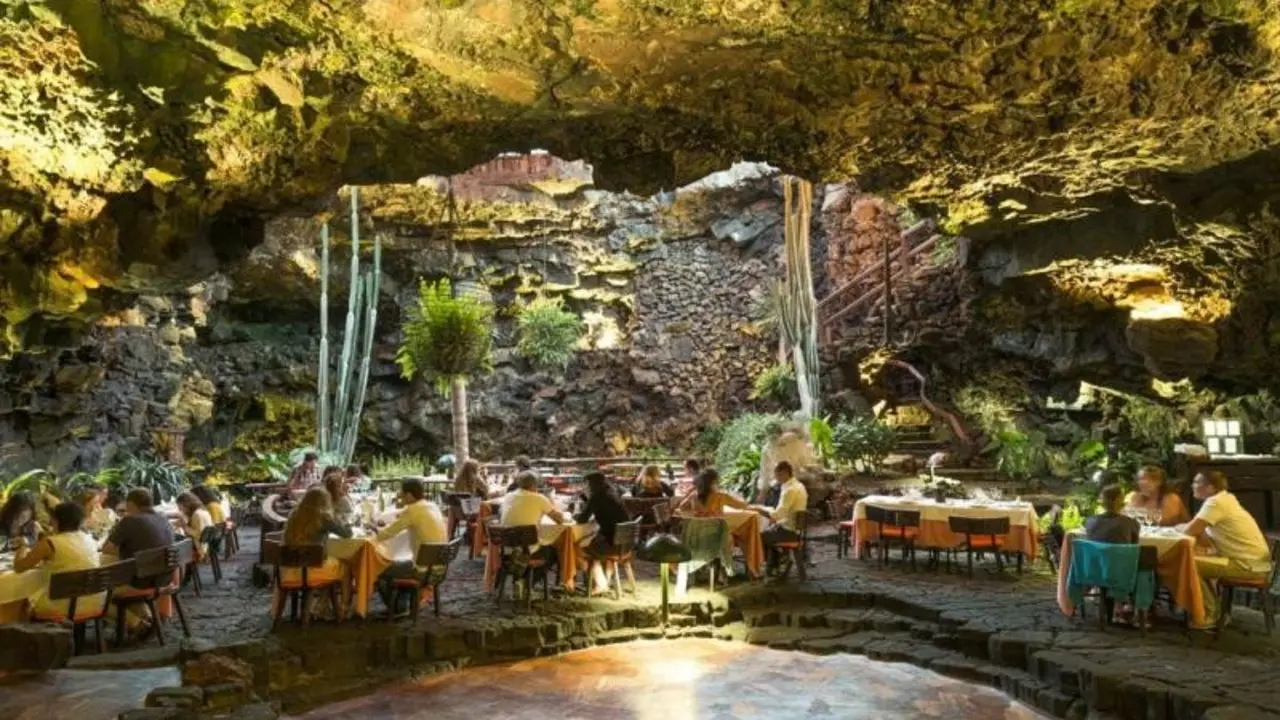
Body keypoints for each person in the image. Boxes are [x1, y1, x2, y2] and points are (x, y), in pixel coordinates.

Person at [1183, 471, 1273, 627]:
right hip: (1251, 561)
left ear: (1210, 487)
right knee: (1193, 560)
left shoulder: (1215, 502)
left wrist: (1186, 530)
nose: (1193, 486)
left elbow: (1189, 530)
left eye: (1197, 483)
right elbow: (1202, 535)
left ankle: (1210, 614)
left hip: (1246, 565)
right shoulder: (1225, 499)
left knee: (1188, 565)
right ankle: (1213, 609)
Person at [13, 502, 103, 621]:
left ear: (55, 520)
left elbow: (19, 567)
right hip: (94, 603)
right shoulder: (89, 539)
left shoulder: (50, 543)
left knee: (23, 602)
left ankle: (29, 638)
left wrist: (23, 545)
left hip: (61, 608)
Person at [375, 478, 448, 611]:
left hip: (422, 570)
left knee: (379, 569)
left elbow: (387, 533)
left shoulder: (412, 510)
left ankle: (396, 608)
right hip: (439, 568)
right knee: (403, 563)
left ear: (409, 495)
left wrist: (373, 532)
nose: (401, 498)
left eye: (402, 494)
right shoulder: (432, 506)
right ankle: (401, 605)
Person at [575, 471, 632, 592]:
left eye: (586, 485)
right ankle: (602, 581)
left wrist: (573, 515)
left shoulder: (597, 496)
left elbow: (582, 519)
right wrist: (586, 498)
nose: (585, 487)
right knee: (592, 540)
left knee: (577, 548)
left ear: (591, 485)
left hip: (611, 545)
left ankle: (599, 584)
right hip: (626, 544)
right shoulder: (612, 493)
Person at [753, 461, 809, 574]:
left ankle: (777, 562)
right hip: (794, 528)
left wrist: (758, 509)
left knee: (757, 537)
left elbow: (777, 515)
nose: (776, 478)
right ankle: (777, 563)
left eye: (778, 475)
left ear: (784, 473)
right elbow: (782, 512)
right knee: (768, 531)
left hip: (789, 531)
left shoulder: (790, 490)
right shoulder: (799, 485)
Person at [102, 489, 175, 561]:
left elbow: (106, 549)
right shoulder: (163, 518)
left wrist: (124, 551)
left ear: (131, 504)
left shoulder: (129, 520)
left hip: (141, 570)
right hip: (166, 570)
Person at [1124, 466, 1189, 526]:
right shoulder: (1135, 496)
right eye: (1139, 479)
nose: (1141, 482)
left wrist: (1141, 515)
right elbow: (1125, 516)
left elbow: (1165, 520)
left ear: (1158, 482)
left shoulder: (1171, 498)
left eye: (1145, 479)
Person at [674, 468, 750, 517]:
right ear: (714, 482)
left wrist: (696, 513)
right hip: (718, 537)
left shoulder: (694, 495)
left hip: (698, 537)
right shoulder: (721, 496)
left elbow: (682, 506)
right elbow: (742, 505)